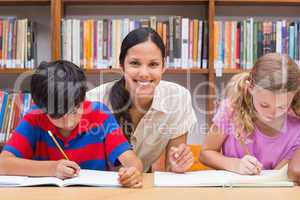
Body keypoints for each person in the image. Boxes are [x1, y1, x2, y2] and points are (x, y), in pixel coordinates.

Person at [0, 60, 143, 188]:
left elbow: (133, 162)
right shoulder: (35, 117)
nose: (69, 122)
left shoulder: (100, 115)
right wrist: (52, 169)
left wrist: (132, 173)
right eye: (58, 115)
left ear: (83, 98)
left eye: (75, 110)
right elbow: (3, 164)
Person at [87, 27, 197, 173]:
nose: (144, 73)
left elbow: (172, 166)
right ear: (121, 66)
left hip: (140, 186)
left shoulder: (178, 98)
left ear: (163, 66)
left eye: (153, 64)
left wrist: (177, 165)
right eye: (135, 63)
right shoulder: (94, 101)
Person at [200, 53, 300, 176]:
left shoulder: (296, 125)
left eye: (282, 106)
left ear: (295, 94)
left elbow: (278, 176)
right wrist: (234, 165)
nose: (273, 113)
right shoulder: (230, 110)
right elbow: (205, 153)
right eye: (264, 105)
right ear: (250, 88)